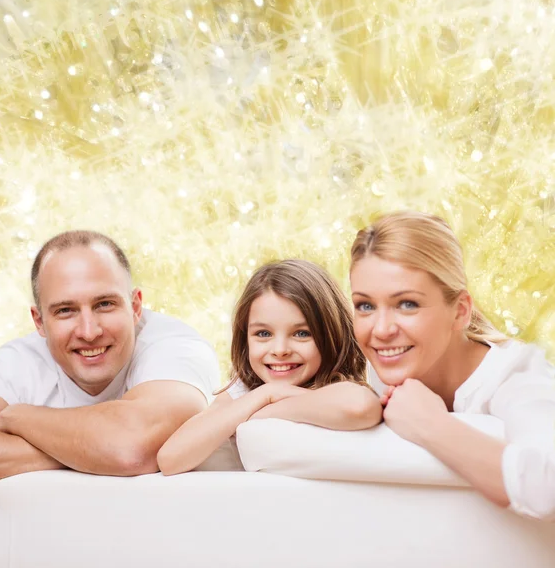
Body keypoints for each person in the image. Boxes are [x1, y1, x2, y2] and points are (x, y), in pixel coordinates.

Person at [0, 231, 219, 487]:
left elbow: (131, 449)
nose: (89, 331)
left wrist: (16, 417)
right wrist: (83, 453)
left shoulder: (176, 347)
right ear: (39, 322)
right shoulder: (18, 362)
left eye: (104, 304)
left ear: (135, 307)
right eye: (65, 310)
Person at [349, 210, 555, 521]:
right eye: (365, 306)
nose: (380, 330)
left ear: (460, 311)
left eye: (407, 304)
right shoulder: (378, 364)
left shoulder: (518, 377)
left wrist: (430, 425)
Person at [157, 259, 382, 475]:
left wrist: (268, 404)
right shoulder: (244, 393)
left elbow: (361, 407)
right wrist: (266, 393)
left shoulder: (339, 386)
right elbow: (170, 459)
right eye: (263, 334)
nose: (280, 349)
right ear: (246, 338)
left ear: (332, 333)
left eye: (301, 333)